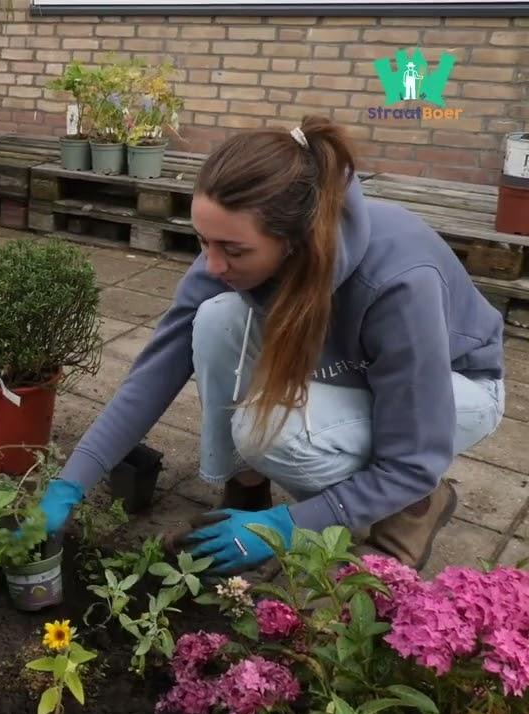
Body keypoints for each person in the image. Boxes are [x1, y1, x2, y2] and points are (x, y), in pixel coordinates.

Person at [35, 115, 505, 574]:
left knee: (269, 431)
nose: (213, 264)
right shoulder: (226, 254)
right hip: (350, 370)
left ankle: (413, 511)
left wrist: (290, 526)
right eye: (204, 242)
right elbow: (156, 371)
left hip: (457, 387)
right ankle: (246, 489)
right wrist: (69, 483)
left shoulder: (397, 283)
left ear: (296, 240)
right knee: (216, 318)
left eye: (233, 250)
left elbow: (411, 458)